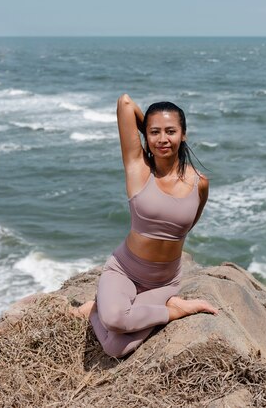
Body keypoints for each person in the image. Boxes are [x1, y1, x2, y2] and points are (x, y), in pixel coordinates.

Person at [74, 94, 218, 357]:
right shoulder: (137, 168)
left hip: (163, 282)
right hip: (125, 270)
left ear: (183, 135)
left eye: (171, 131)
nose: (163, 138)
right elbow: (125, 103)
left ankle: (96, 310)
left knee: (117, 347)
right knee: (116, 320)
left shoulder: (200, 183)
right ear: (146, 136)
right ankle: (172, 311)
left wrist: (153, 129)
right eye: (155, 132)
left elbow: (184, 229)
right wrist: (147, 127)